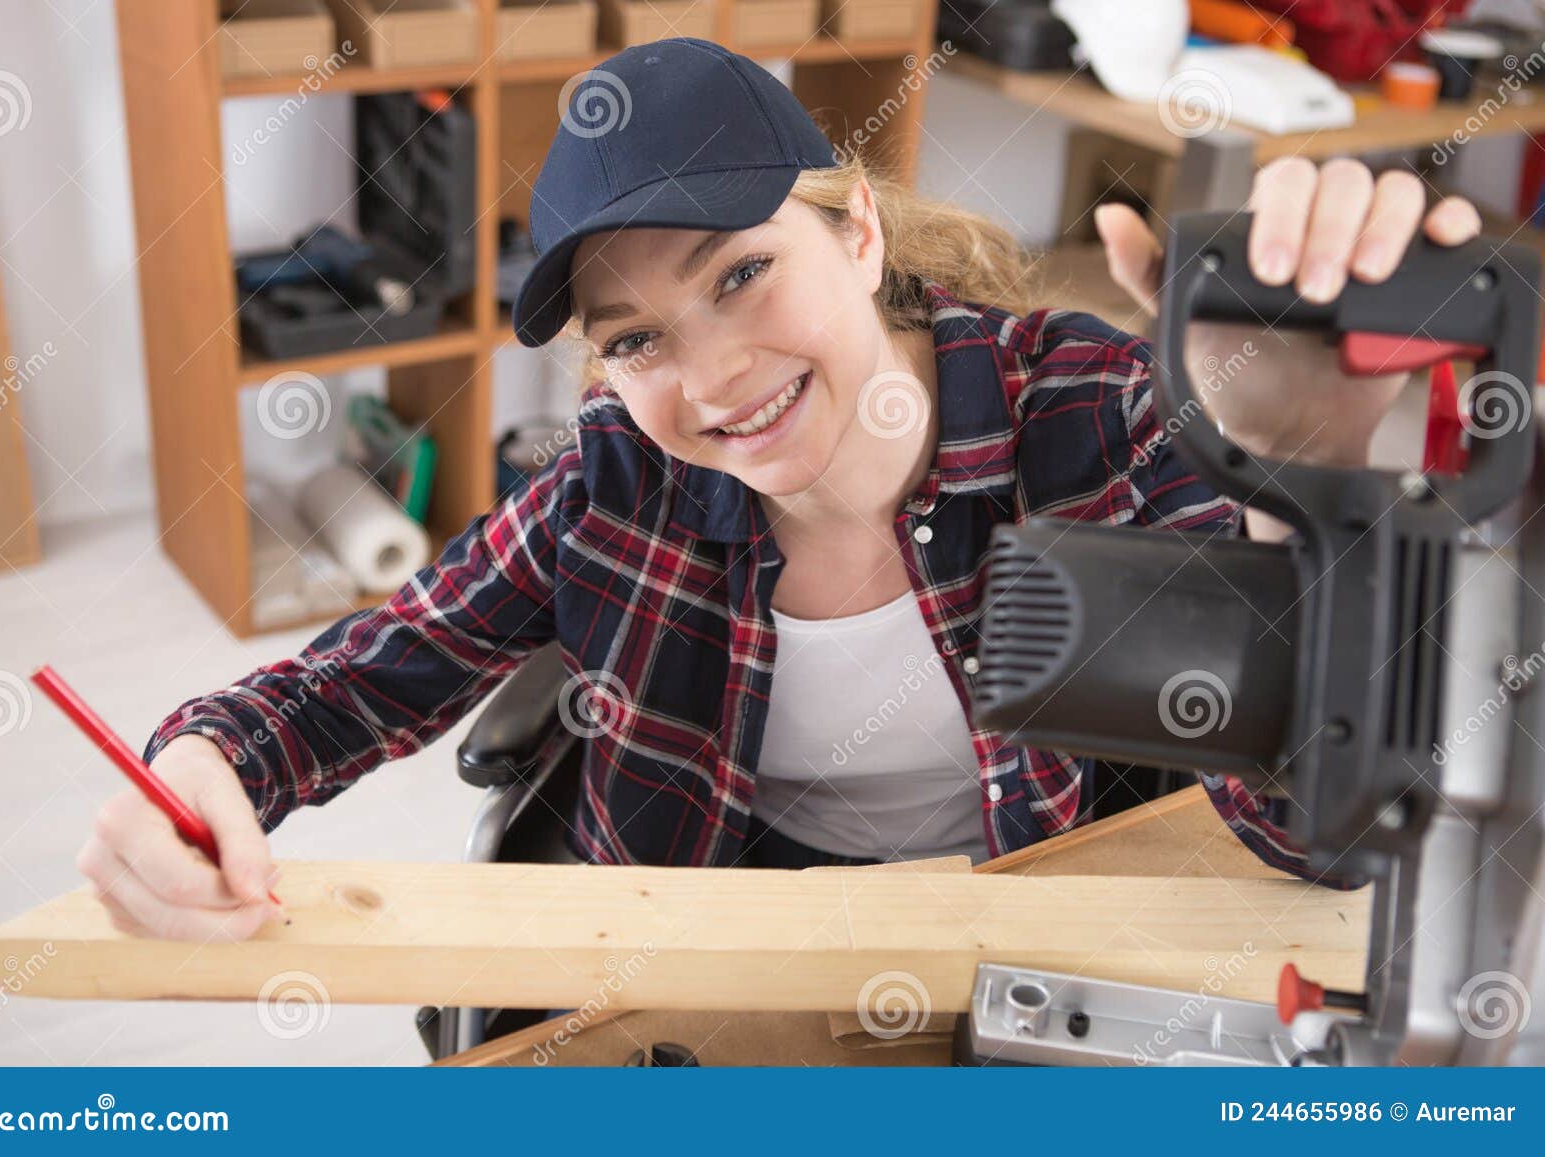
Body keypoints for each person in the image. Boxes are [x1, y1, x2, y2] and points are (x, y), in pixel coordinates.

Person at [81, 38, 1482, 940]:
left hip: (1023, 929)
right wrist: (199, 769)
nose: (714, 379)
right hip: (721, 941)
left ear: (859, 230)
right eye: (635, 341)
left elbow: (1316, 844)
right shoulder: (610, 491)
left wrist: (1310, 493)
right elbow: (332, 691)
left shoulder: (1095, 415)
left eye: (741, 273)